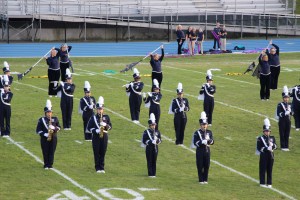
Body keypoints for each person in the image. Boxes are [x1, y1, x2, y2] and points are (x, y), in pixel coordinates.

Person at [87, 96, 112, 173]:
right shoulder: (93, 118)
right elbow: (89, 128)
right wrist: (96, 130)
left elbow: (110, 127)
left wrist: (105, 125)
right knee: (96, 152)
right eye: (98, 109)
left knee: (103, 152)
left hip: (104, 136)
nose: (100, 111)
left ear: (103, 109)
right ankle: (97, 167)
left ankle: (102, 167)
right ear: (96, 109)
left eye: (101, 109)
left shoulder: (106, 117)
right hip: (96, 137)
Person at [36, 99, 61, 169]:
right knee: (45, 151)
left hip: (54, 138)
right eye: (48, 112)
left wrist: (54, 128)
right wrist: (45, 134)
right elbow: (38, 130)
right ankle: (46, 164)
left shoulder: (55, 119)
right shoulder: (41, 120)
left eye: (50, 112)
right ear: (45, 113)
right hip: (45, 139)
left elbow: (59, 127)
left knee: (52, 151)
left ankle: (50, 164)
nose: (49, 113)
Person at [193, 111, 214, 184]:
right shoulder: (197, 132)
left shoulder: (209, 132)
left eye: (205, 124)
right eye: (203, 124)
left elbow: (212, 141)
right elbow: (195, 143)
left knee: (207, 165)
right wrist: (202, 142)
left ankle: (205, 179)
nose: (204, 126)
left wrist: (210, 141)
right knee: (200, 165)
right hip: (200, 151)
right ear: (200, 125)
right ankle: (201, 179)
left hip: (207, 150)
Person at [256, 118, 277, 188]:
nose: (267, 132)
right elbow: (259, 148)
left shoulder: (272, 138)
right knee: (262, 169)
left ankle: (269, 183)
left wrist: (272, 146)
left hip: (271, 155)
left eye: (268, 131)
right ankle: (262, 183)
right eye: (266, 131)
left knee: (269, 169)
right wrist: (266, 148)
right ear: (263, 131)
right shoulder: (260, 138)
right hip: (264, 155)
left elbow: (276, 146)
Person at [142, 113, 162, 178]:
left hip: (155, 147)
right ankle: (150, 173)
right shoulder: (146, 132)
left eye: (154, 125)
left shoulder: (157, 132)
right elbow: (144, 141)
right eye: (152, 125)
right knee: (149, 160)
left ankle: (154, 173)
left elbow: (160, 139)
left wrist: (158, 141)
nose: (154, 126)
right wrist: (151, 141)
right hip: (149, 148)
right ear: (150, 125)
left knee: (154, 160)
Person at [276, 86, 292, 151]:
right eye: (285, 98)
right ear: (283, 98)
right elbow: (278, 113)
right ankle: (283, 146)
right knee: (282, 133)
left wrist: (291, 112)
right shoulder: (280, 104)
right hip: (282, 121)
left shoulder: (290, 104)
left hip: (288, 121)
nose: (286, 99)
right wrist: (285, 113)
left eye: (287, 98)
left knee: (287, 133)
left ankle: (286, 146)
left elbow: (292, 113)